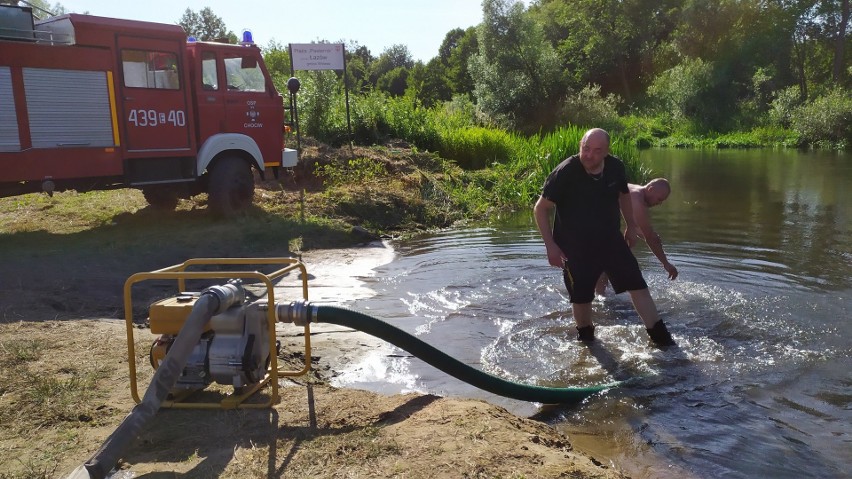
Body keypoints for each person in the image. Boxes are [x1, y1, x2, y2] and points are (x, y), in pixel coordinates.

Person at [533, 128, 675, 347]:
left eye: (597, 151)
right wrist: (550, 246)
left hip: (610, 240)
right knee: (581, 297)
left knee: (637, 285)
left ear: (607, 152)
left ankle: (662, 340)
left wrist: (629, 225)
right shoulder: (566, 172)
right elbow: (540, 209)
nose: (589, 155)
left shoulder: (615, 167)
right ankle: (587, 342)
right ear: (581, 144)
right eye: (585, 148)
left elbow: (624, 195)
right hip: (575, 246)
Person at [595, 178, 678, 295]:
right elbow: (650, 238)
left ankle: (601, 297)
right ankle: (600, 300)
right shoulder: (637, 201)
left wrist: (645, 234)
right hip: (589, 220)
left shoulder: (634, 190)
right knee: (606, 261)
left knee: (607, 258)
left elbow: (639, 229)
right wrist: (666, 263)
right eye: (659, 199)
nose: (659, 203)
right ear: (651, 189)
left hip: (595, 219)